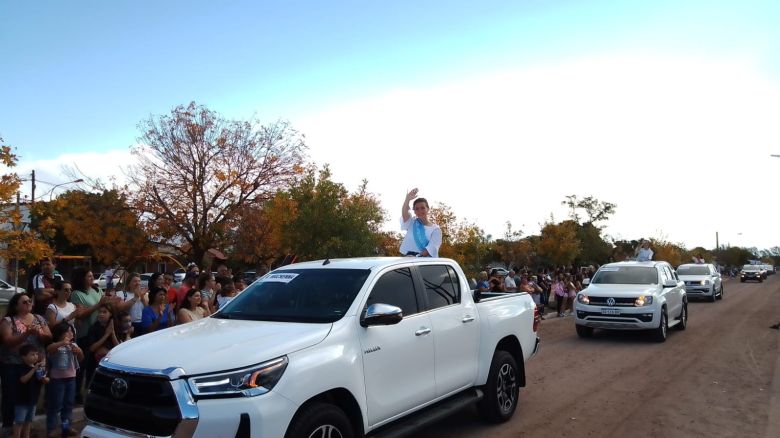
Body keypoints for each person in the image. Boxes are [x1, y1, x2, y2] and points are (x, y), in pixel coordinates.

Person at [0, 293, 52, 432]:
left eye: (30, 300)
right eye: (24, 302)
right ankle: (9, 426)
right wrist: (26, 334)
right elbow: (8, 341)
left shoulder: (39, 319)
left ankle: (26, 427)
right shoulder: (8, 320)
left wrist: (39, 334)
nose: (29, 303)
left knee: (31, 394)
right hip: (13, 364)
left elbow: (49, 337)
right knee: (12, 395)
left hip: (35, 365)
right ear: (16, 306)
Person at [45, 322, 82, 438]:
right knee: (55, 404)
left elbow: (81, 358)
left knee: (68, 404)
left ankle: (66, 427)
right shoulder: (56, 345)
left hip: (71, 378)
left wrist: (79, 351)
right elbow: (49, 349)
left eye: (71, 331)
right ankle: (51, 428)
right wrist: (62, 343)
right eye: (67, 331)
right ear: (60, 334)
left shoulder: (73, 345)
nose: (70, 333)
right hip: (57, 379)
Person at [13, 344, 48, 438]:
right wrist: (34, 369)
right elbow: (23, 380)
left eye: (36, 354)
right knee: (19, 422)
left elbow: (42, 380)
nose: (35, 356)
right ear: (23, 357)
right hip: (21, 401)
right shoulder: (21, 367)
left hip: (33, 400)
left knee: (28, 422)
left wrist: (45, 379)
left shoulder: (38, 369)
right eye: (32, 354)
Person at [399, 188, 442, 257]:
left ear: (428, 209)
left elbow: (431, 248)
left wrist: (416, 257)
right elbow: (404, 214)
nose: (420, 211)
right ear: (414, 211)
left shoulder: (436, 229)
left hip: (423, 263)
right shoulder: (412, 222)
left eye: (422, 208)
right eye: (417, 209)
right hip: (406, 260)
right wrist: (407, 199)